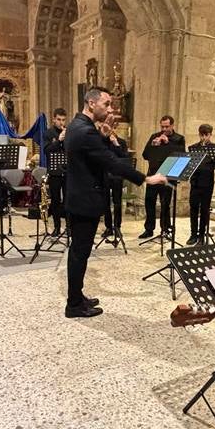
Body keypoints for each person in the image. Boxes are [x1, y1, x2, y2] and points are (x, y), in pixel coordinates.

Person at [64, 87, 167, 317]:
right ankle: (73, 305)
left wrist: (104, 135)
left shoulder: (78, 126)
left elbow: (92, 154)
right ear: (91, 103)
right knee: (79, 253)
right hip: (84, 200)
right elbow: (111, 162)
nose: (110, 109)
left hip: (79, 197)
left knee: (79, 252)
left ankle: (77, 296)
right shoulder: (85, 131)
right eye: (106, 104)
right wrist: (146, 179)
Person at [138, 115, 185, 239]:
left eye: (167, 126)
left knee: (165, 204)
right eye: (162, 126)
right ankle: (149, 229)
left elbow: (180, 155)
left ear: (172, 125)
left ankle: (165, 229)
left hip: (168, 176)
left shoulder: (179, 139)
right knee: (149, 202)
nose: (164, 129)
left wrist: (168, 143)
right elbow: (145, 155)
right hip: (153, 175)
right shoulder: (154, 136)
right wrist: (153, 145)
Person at [188, 123, 215, 245]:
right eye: (201, 135)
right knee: (193, 208)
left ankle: (202, 235)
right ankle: (193, 234)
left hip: (207, 183)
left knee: (204, 210)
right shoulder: (193, 147)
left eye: (206, 135)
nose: (203, 138)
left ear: (210, 135)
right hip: (195, 182)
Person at [100, 108, 129, 238]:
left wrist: (116, 143)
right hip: (105, 175)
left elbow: (124, 157)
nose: (112, 130)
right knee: (105, 203)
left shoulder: (121, 142)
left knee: (117, 202)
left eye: (113, 127)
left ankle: (117, 227)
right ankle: (108, 228)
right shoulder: (102, 142)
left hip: (117, 176)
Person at [43, 107, 69, 236]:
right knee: (55, 200)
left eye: (63, 120)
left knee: (68, 199)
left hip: (68, 171)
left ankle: (69, 227)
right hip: (54, 172)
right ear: (54, 119)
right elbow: (47, 151)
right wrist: (59, 140)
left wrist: (67, 140)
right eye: (59, 120)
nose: (61, 122)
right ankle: (57, 227)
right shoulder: (48, 133)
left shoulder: (69, 132)